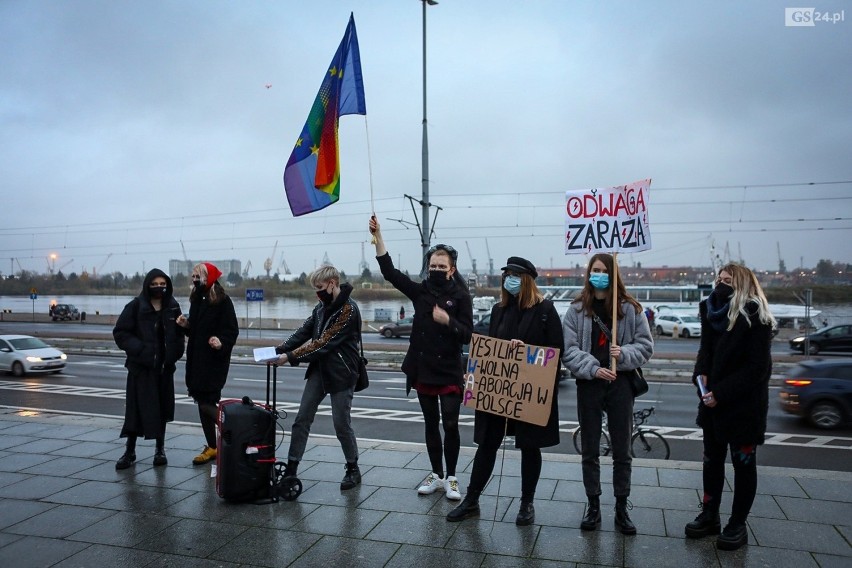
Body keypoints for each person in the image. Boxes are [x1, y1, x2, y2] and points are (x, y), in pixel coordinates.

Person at [447, 256, 563, 525]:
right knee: (487, 444)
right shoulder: (500, 310)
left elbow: (556, 353)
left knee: (530, 446)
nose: (509, 279)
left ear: (527, 280)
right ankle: (472, 499)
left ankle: (526, 503)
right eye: (506, 274)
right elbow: (485, 346)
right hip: (499, 390)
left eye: (514, 275)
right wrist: (472, 368)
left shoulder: (545, 310)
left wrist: (526, 353)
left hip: (528, 391)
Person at [369, 216, 473, 501]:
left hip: (450, 370)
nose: (437, 269)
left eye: (442, 266)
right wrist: (378, 237)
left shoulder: (462, 297)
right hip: (424, 369)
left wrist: (447, 320)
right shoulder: (420, 292)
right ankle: (436, 474)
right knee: (430, 424)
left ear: (452, 270)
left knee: (450, 424)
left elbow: (468, 335)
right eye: (433, 266)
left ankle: (451, 477)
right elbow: (390, 272)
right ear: (428, 268)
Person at [684, 263, 775, 551]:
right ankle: (710, 514)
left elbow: (757, 369)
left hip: (743, 406)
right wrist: (700, 377)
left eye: (729, 281)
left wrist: (720, 393)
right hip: (711, 403)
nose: (722, 285)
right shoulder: (710, 311)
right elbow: (705, 352)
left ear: (744, 284)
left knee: (743, 465)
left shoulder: (754, 315)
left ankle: (737, 523)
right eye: (719, 279)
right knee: (712, 461)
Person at [562, 253, 654, 535]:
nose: (597, 274)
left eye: (603, 270)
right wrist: (592, 368)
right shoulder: (576, 310)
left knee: (622, 449)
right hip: (589, 385)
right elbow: (569, 350)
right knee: (589, 448)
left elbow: (645, 347)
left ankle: (622, 506)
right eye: (594, 270)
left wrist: (623, 353)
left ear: (613, 274)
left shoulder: (631, 309)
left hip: (620, 384)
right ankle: (593, 505)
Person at [270, 264, 363, 491]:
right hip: (319, 371)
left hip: (342, 373)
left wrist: (290, 357)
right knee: (301, 419)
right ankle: (291, 470)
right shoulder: (320, 308)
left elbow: (323, 344)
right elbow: (304, 331)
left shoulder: (349, 311)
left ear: (332, 284)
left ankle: (353, 468)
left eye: (320, 287)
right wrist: (280, 349)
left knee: (341, 424)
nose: (317, 292)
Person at [112, 269, 185, 469]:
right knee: (135, 411)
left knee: (162, 410)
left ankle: (160, 449)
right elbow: (120, 332)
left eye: (162, 283)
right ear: (147, 285)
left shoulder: (172, 307)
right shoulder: (136, 306)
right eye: (154, 284)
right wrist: (140, 350)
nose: (159, 287)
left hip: (164, 369)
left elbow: (179, 334)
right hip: (140, 370)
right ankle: (130, 450)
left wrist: (175, 353)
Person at [176, 262, 239, 466]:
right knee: (202, 403)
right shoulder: (197, 298)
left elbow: (232, 330)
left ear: (209, 277)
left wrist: (221, 342)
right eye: (193, 276)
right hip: (196, 360)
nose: (195, 280)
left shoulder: (223, 300)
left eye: (198, 276)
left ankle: (231, 429)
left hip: (213, 361)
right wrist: (186, 326)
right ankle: (212, 446)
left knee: (206, 403)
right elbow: (196, 330)